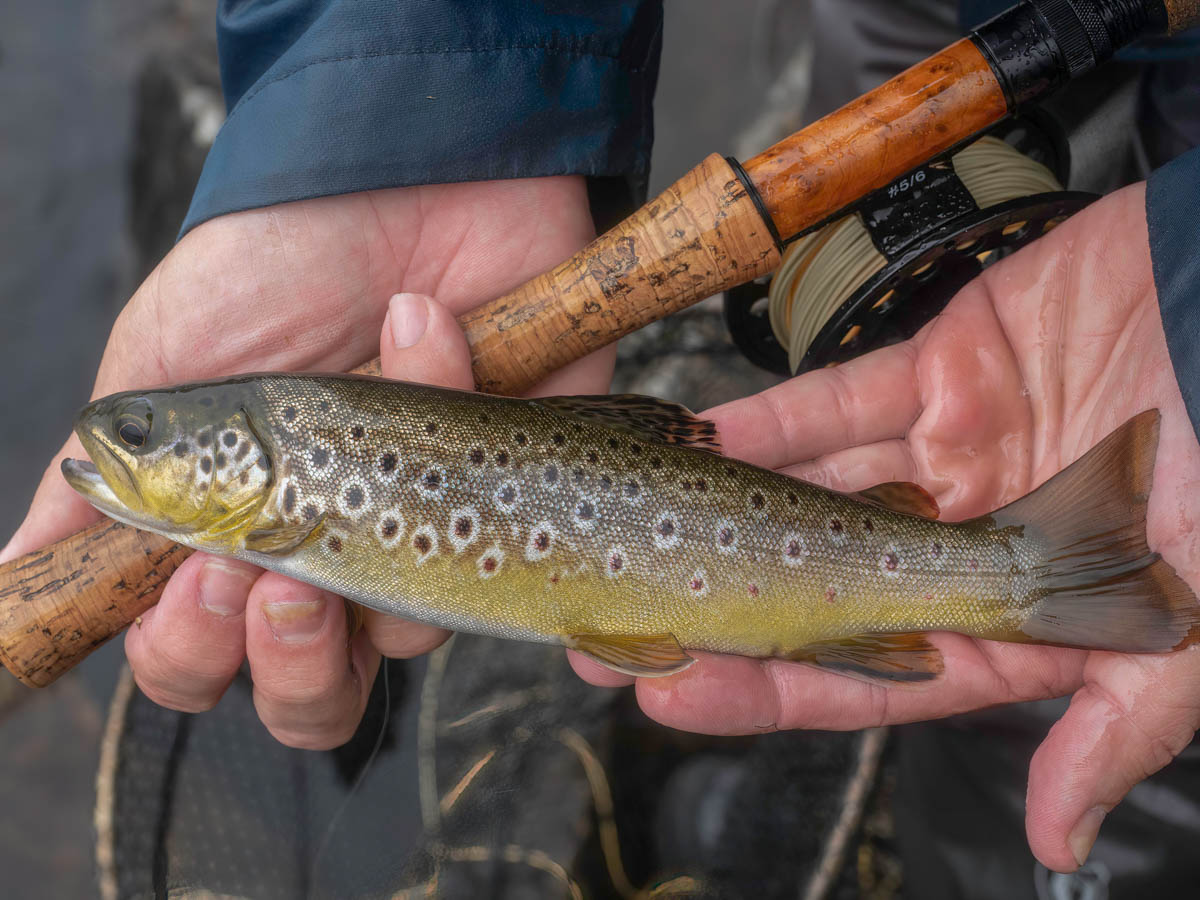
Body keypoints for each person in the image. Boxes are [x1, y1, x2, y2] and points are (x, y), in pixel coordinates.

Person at [3, 0, 1198, 881]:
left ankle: (1029, 585)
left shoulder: (298, 493)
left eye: (150, 436)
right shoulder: (290, 482)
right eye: (147, 436)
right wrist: (423, 119)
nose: (122, 441)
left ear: (237, 462)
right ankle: (1020, 587)